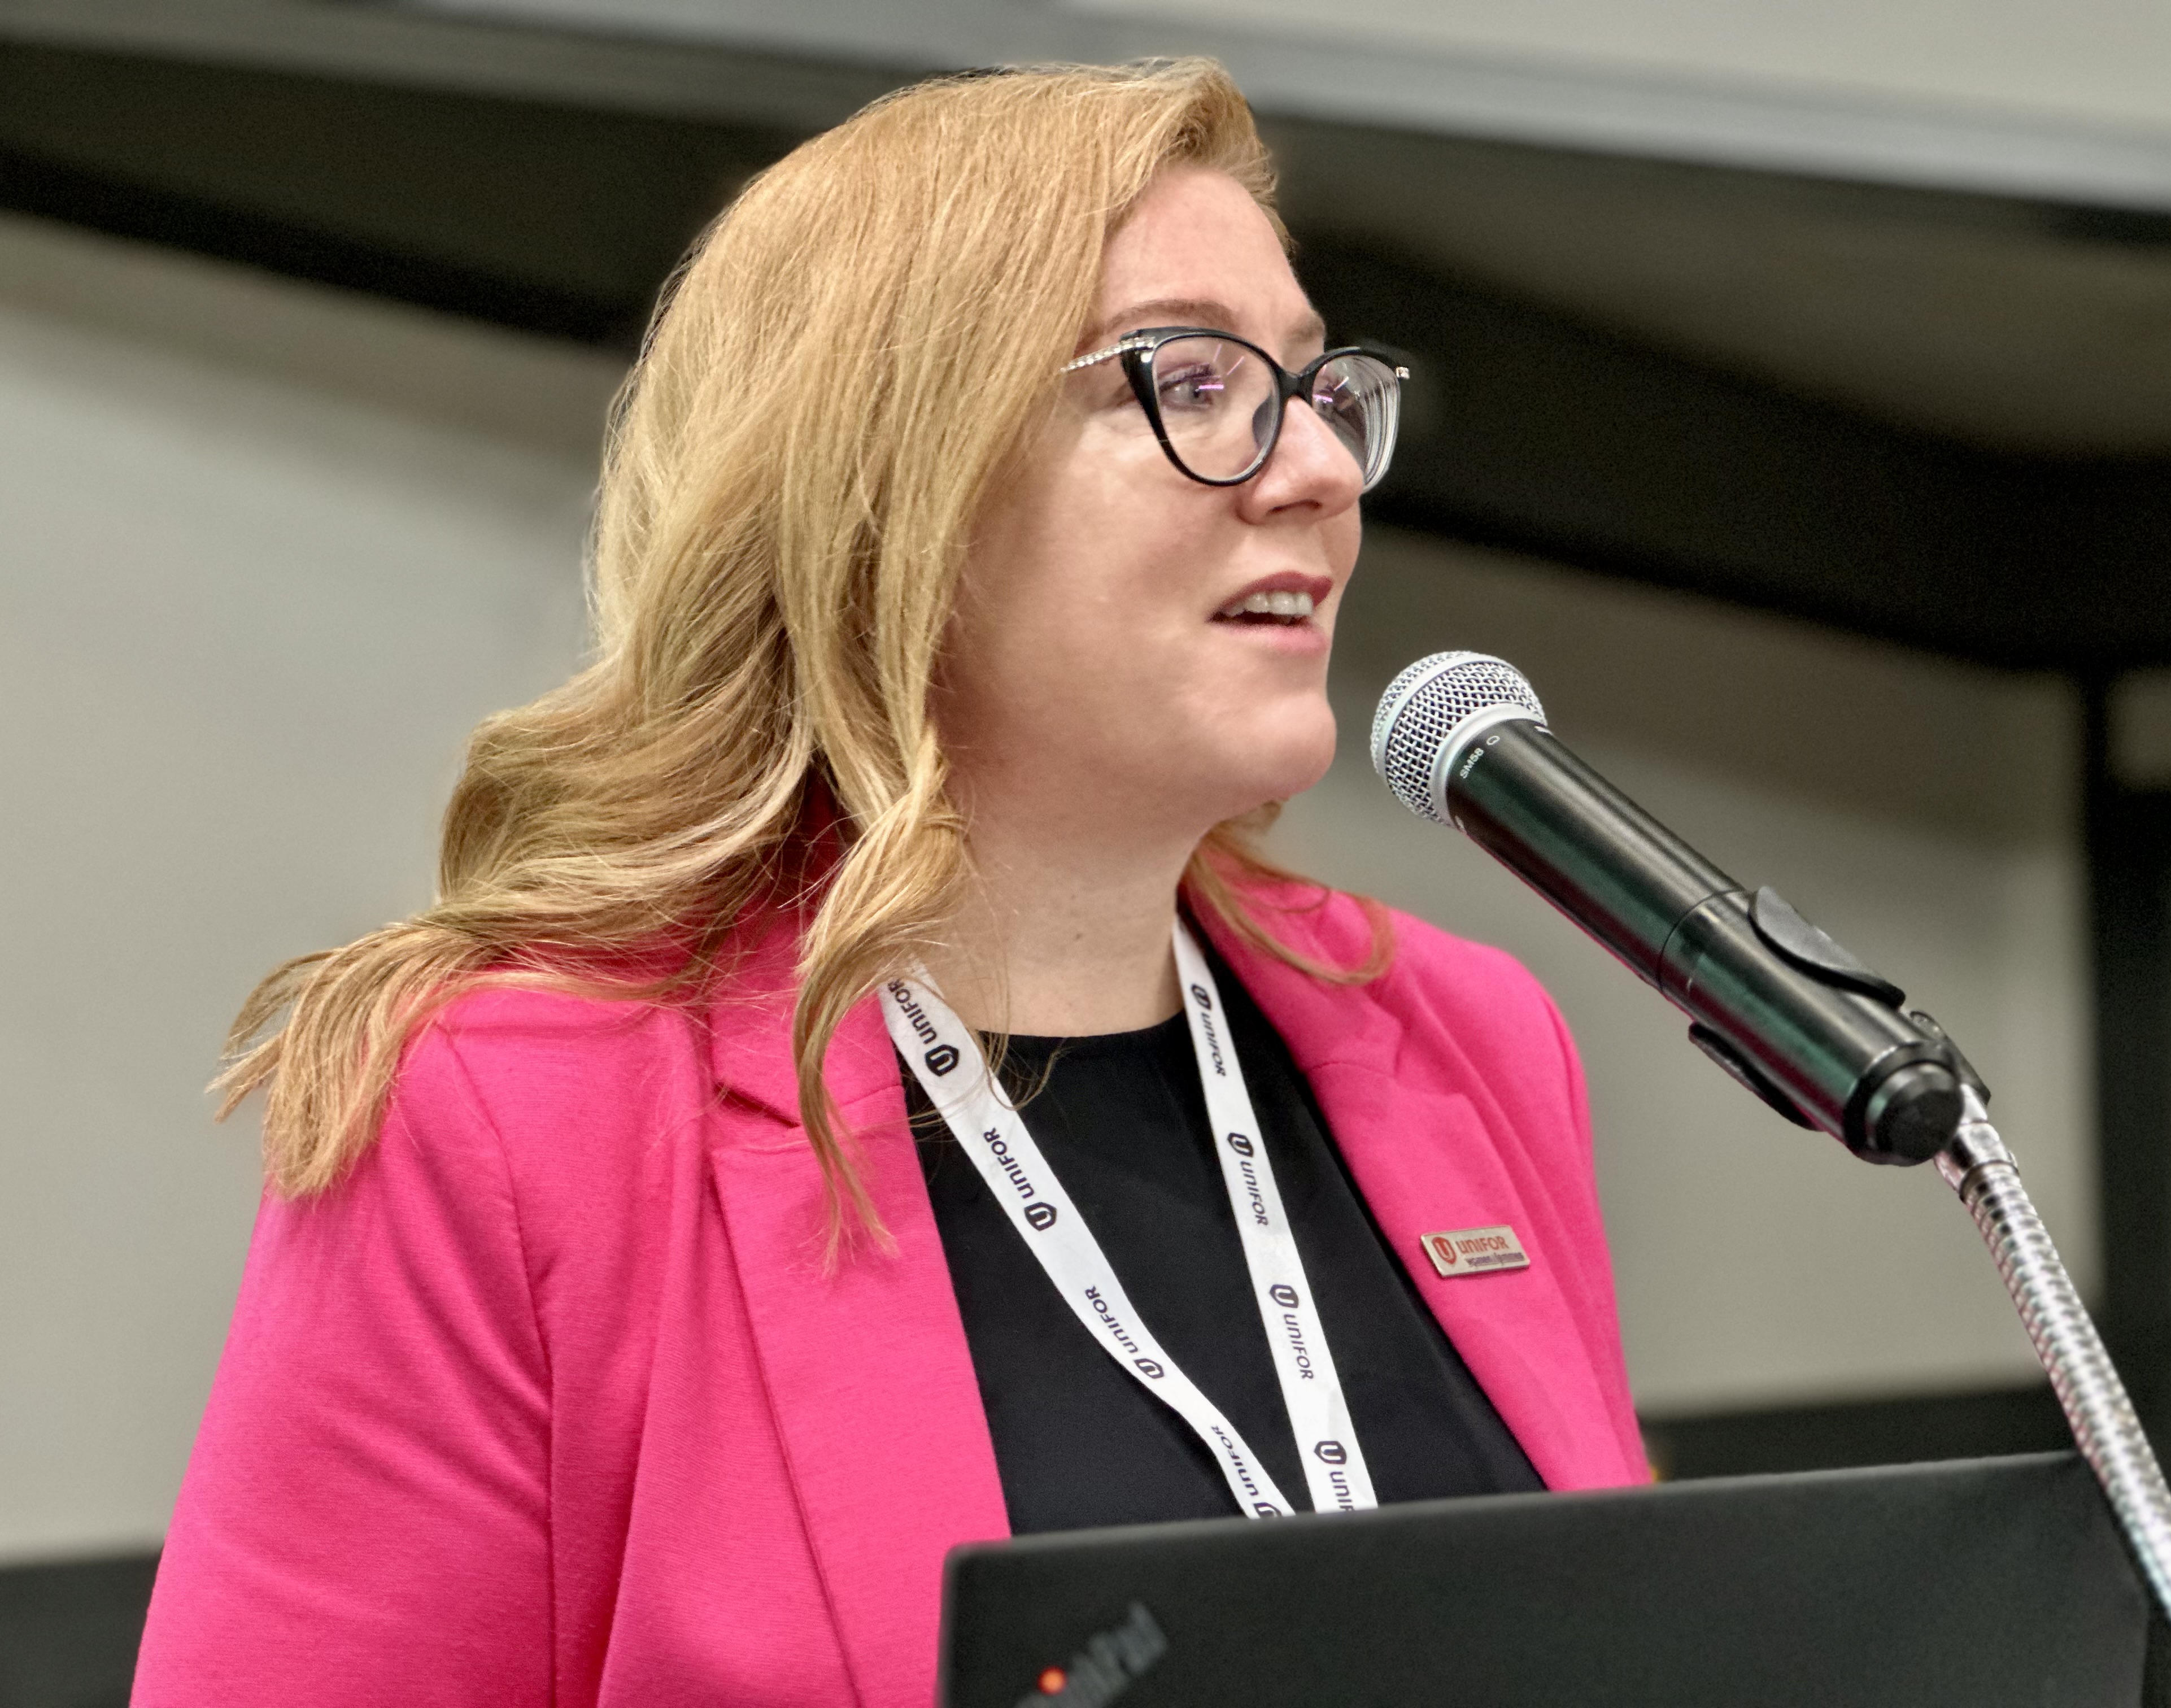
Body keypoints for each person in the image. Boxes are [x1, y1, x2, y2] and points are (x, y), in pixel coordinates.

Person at [132, 59, 1647, 1708]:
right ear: (892, 485)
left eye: (1313, 388)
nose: (1320, 475)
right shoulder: (513, 1120)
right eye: (1192, 382)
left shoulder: (1468, 1037)